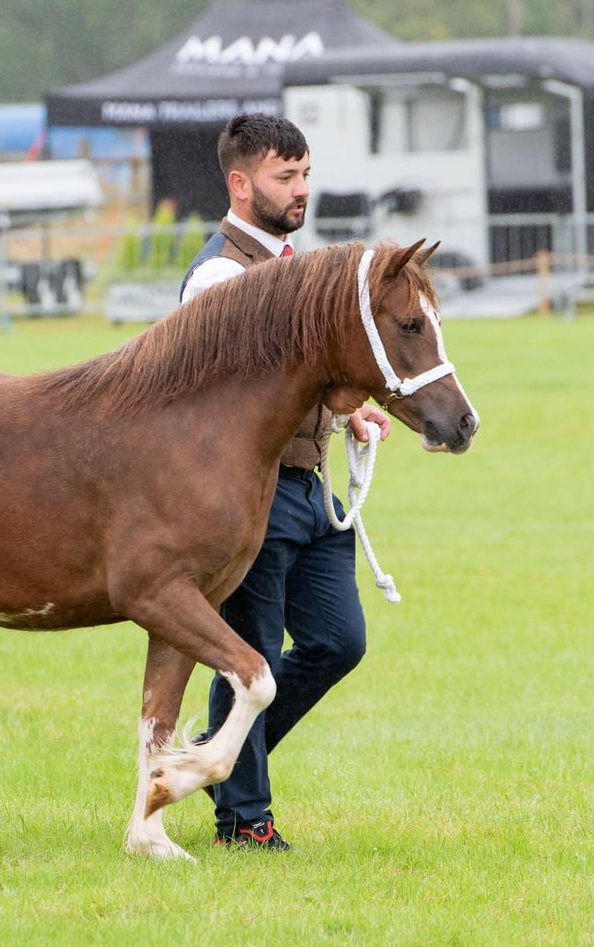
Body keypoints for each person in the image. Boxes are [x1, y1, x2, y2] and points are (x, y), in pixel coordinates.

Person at [180, 113, 390, 851]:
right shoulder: (218, 274)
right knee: (254, 653)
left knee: (339, 641)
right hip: (250, 496)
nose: (301, 190)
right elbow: (216, 394)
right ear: (240, 185)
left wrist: (347, 409)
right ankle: (244, 822)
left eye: (304, 174)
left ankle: (218, 747)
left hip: (309, 489)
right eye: (284, 177)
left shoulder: (293, 261)